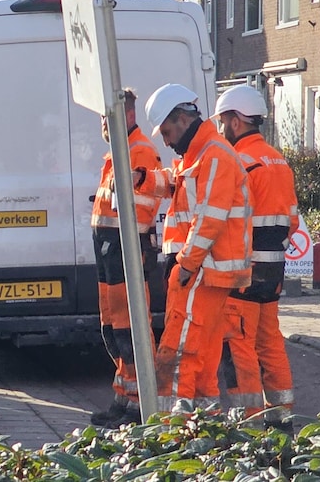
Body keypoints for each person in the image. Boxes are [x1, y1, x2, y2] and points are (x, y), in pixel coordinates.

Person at [141, 84, 252, 412]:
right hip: (206, 270)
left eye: (165, 131)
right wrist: (141, 179)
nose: (164, 140)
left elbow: (209, 219)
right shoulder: (200, 154)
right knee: (202, 357)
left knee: (177, 354)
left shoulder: (213, 155)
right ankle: (204, 425)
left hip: (201, 270)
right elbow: (175, 182)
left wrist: (186, 265)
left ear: (181, 119)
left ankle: (170, 431)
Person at [212, 85, 297, 428]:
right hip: (273, 270)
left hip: (243, 271)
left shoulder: (238, 162)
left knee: (239, 348)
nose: (219, 130)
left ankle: (247, 426)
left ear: (235, 121)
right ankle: (282, 421)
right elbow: (291, 219)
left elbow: (225, 218)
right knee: (271, 344)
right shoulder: (280, 162)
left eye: (222, 122)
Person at [89, 88, 165, 428]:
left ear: (126, 115)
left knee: (131, 329)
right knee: (114, 328)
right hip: (111, 249)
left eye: (106, 117)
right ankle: (124, 396)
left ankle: (139, 404)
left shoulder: (139, 152)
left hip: (126, 249)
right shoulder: (119, 153)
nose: (103, 124)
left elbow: (141, 209)